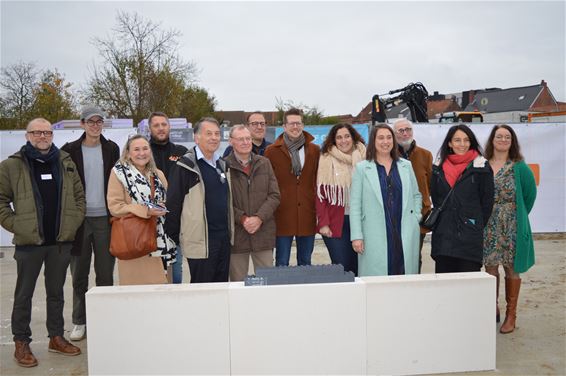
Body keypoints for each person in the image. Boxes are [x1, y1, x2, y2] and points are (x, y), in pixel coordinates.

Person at [0, 118, 85, 367]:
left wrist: (73, 221)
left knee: (56, 293)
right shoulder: (11, 166)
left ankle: (56, 337)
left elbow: (79, 197)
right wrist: (17, 225)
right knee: (24, 294)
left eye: (47, 132)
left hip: (59, 242)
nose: (42, 136)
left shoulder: (65, 162)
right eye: (36, 132)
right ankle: (21, 341)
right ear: (27, 136)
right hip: (30, 244)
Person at [61, 105, 119, 342]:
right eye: (90, 121)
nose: (95, 125)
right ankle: (80, 321)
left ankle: (103, 318)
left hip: (105, 220)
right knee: (79, 275)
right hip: (79, 221)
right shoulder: (68, 151)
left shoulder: (112, 149)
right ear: (82, 124)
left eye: (99, 121)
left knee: (105, 274)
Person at [483, 124, 537, 334]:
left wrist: (517, 216)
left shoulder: (520, 167)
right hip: (489, 225)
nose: (503, 140)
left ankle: (511, 314)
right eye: (499, 136)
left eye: (507, 137)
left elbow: (530, 196)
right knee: (490, 268)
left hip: (512, 225)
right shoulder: (483, 164)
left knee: (512, 268)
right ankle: (492, 307)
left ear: (512, 141)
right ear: (492, 139)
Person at [166, 117, 234, 283]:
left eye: (217, 134)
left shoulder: (222, 164)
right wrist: (175, 237)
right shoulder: (185, 166)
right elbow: (173, 203)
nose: (214, 137)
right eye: (208, 133)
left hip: (223, 239)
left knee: (221, 288)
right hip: (200, 241)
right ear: (197, 138)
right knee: (202, 290)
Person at [350, 124, 422, 276]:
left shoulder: (406, 166)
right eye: (381, 138)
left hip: (404, 230)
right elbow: (355, 205)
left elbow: (416, 195)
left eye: (389, 137)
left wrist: (415, 217)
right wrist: (357, 236)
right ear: (373, 141)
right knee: (377, 282)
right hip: (374, 232)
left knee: (404, 275)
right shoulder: (362, 168)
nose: (385, 142)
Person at [107, 135, 176, 285]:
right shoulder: (118, 174)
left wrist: (163, 206)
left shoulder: (158, 174)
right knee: (137, 296)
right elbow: (115, 207)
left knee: (161, 294)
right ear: (128, 153)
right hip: (134, 243)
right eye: (136, 149)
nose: (141, 153)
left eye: (145, 148)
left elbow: (169, 201)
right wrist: (146, 211)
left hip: (160, 243)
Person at [430, 124, 494, 273]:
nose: (462, 144)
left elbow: (487, 203)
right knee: (445, 287)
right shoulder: (437, 167)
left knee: (468, 289)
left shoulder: (482, 167)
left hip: (469, 239)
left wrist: (472, 222)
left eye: (466, 140)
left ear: (471, 142)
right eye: (457, 140)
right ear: (450, 143)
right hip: (443, 239)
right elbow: (436, 198)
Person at [265, 108, 320, 266]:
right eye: (291, 123)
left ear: (303, 125)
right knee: (281, 262)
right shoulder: (271, 152)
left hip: (307, 214)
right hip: (282, 214)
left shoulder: (315, 150)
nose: (295, 127)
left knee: (305, 261)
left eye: (298, 123)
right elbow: (268, 182)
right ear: (284, 126)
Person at [225, 125, 280, 281]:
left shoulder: (264, 163)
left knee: (268, 282)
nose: (245, 142)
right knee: (238, 284)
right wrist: (242, 219)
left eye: (248, 138)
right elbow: (223, 201)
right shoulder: (223, 166)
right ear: (231, 142)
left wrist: (259, 218)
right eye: (240, 139)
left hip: (263, 233)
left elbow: (275, 195)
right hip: (237, 237)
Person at [316, 123, 366, 275]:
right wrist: (323, 223)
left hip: (362, 220)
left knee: (361, 266)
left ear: (353, 137)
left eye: (346, 136)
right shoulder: (325, 159)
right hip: (335, 222)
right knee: (342, 267)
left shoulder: (366, 156)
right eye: (339, 137)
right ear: (333, 140)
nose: (343, 140)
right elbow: (320, 194)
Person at [148, 111, 188, 284]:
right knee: (152, 268)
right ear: (150, 128)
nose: (161, 128)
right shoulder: (143, 152)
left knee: (176, 267)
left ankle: (177, 305)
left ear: (169, 127)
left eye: (164, 124)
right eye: (156, 125)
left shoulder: (181, 152)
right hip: (149, 220)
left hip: (175, 220)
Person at [393, 118, 433, 273]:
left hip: (418, 216)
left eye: (408, 129)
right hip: (394, 215)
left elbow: (431, 184)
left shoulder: (425, 155)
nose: (405, 133)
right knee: (396, 255)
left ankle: (414, 288)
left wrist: (423, 205)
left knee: (415, 256)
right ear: (394, 134)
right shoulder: (388, 155)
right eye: (400, 130)